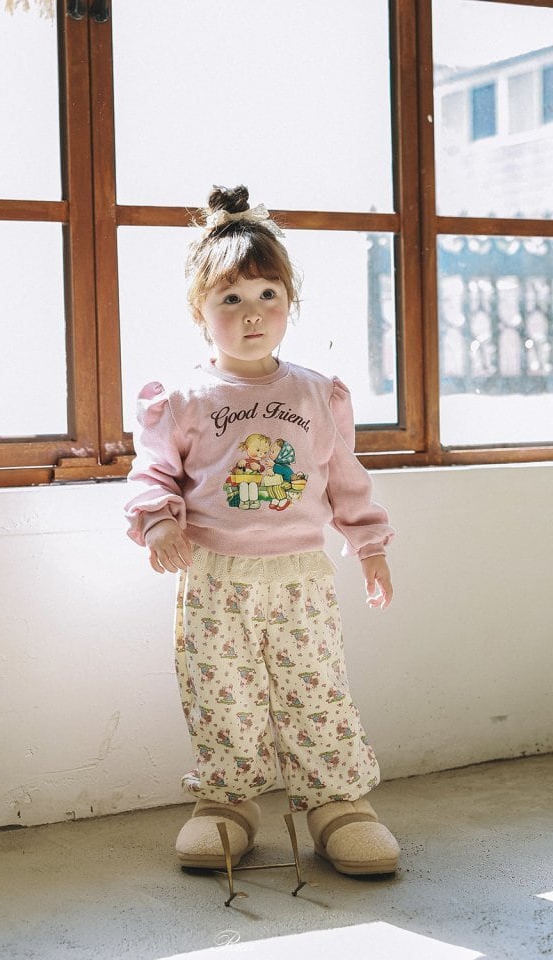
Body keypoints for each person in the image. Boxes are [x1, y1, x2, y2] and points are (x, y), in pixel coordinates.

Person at [124, 185, 400, 877]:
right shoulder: (181, 399)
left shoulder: (316, 393)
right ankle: (226, 802)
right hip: (214, 579)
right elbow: (152, 474)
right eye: (231, 299)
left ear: (289, 302)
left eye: (267, 295)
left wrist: (369, 546)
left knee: (316, 689)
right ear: (200, 310)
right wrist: (158, 524)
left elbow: (345, 480)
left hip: (300, 577)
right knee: (224, 693)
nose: (252, 314)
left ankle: (337, 803)